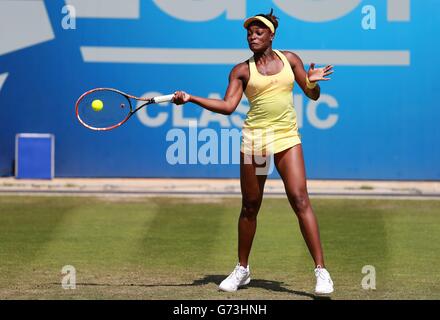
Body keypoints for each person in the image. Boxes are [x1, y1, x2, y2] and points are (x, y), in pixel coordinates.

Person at [173, 9, 334, 295]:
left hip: (286, 138)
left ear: (272, 35)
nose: (253, 36)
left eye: (259, 32)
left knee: (299, 198)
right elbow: (227, 107)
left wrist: (312, 82)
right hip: (255, 141)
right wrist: (191, 98)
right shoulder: (241, 70)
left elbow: (312, 94)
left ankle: (321, 271)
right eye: (249, 32)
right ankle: (242, 270)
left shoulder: (290, 60)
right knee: (250, 206)